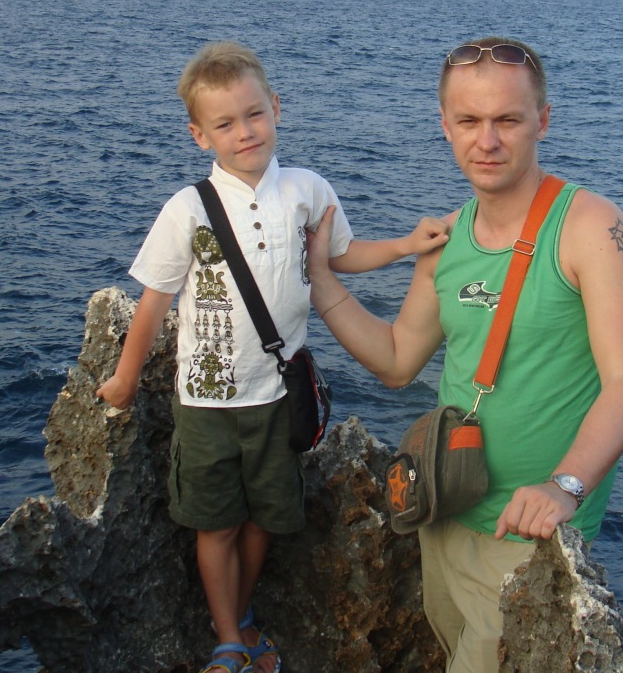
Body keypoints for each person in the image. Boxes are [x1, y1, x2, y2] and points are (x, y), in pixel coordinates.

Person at [95, 41, 449, 673]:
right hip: (207, 402)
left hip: (278, 397)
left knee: (265, 520)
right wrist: (125, 378)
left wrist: (404, 245)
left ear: (277, 108)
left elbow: (339, 256)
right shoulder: (187, 209)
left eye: (254, 114)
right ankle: (228, 637)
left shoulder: (306, 191)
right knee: (216, 524)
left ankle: (240, 615)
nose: (245, 132)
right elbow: (152, 303)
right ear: (200, 135)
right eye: (225, 123)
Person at [306, 36, 623, 673]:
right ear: (445, 125)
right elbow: (397, 360)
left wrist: (565, 486)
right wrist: (321, 281)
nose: (486, 141)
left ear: (543, 120)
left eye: (507, 120)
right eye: (469, 121)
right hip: (444, 512)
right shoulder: (446, 240)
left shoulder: (591, 230)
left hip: (530, 534)